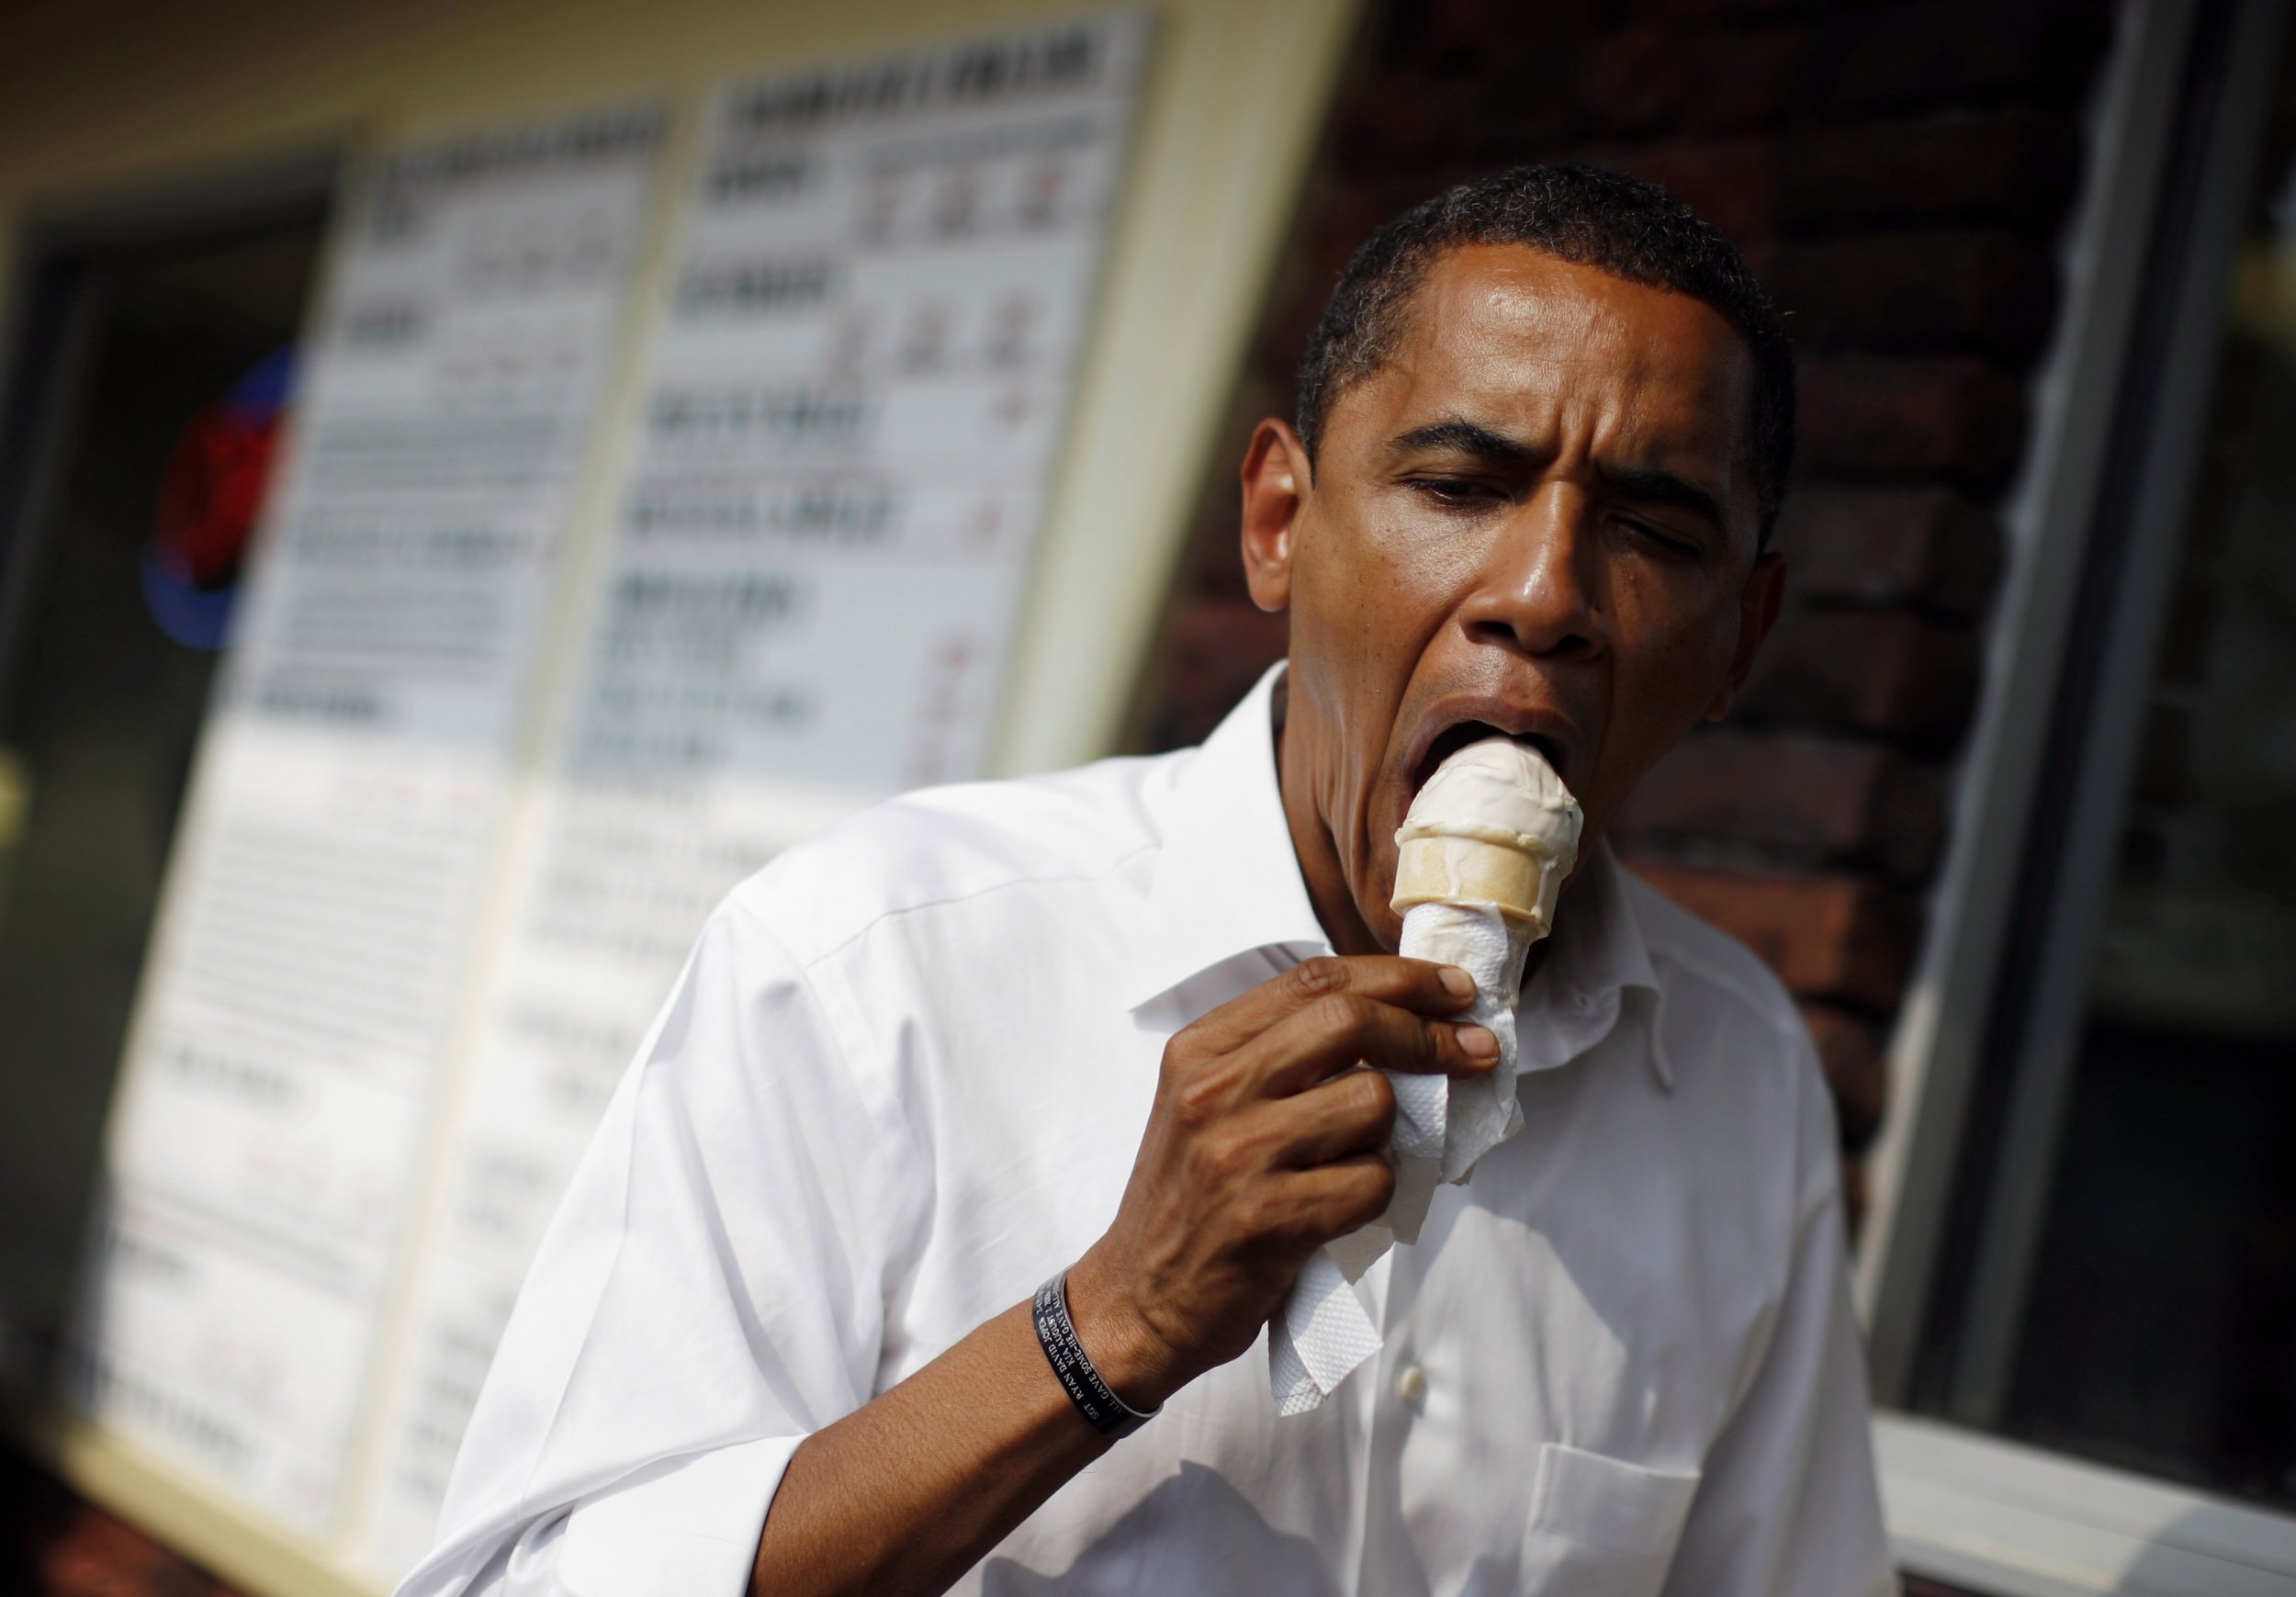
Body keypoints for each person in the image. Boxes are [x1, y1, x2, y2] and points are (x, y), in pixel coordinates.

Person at [399, 165, 1895, 1597]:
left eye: (1649, 528)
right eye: (1459, 483)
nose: (1544, 595)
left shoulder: (1741, 1077)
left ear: (1742, 638)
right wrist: (1112, 1318)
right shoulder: (871, 963)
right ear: (1278, 523)